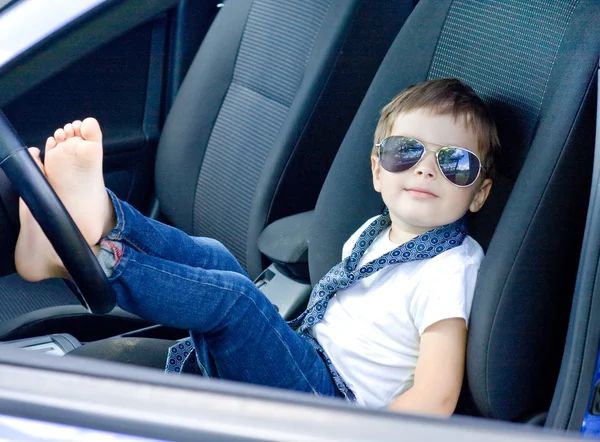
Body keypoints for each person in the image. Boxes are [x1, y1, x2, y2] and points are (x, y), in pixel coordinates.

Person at [14, 78, 499, 416]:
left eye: (456, 163)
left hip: (333, 409)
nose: (425, 168)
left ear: (479, 192)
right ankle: (102, 217)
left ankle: (92, 263)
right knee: (215, 258)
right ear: (377, 170)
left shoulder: (449, 268)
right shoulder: (373, 230)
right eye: (405, 152)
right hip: (307, 363)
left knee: (238, 300)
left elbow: (436, 397)